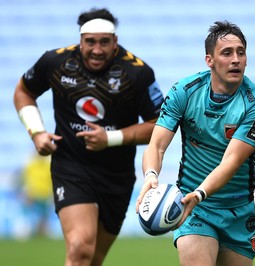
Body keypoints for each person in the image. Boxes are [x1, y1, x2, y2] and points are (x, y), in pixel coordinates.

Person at [13, 8, 163, 265]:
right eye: (90, 42)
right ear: (80, 41)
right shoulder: (56, 62)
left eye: (104, 42)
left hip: (117, 175)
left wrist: (111, 138)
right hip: (71, 166)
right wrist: (36, 132)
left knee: (94, 258)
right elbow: (23, 91)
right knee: (80, 248)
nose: (97, 49)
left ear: (115, 42)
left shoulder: (137, 73)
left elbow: (157, 126)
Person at [136, 21, 255, 266]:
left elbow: (231, 162)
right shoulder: (184, 92)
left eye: (241, 52)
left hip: (237, 211)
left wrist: (201, 193)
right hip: (192, 206)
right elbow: (156, 145)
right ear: (209, 60)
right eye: (227, 53)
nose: (236, 59)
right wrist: (150, 175)